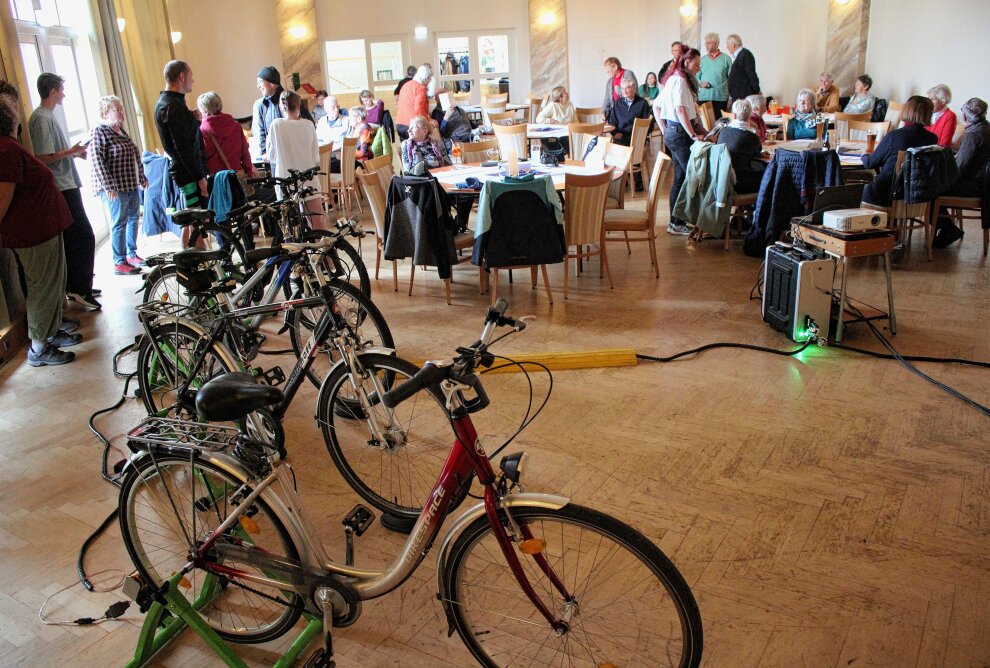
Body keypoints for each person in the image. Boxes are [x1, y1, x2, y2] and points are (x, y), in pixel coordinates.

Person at [0, 91, 79, 366]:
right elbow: (3, 198)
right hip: (31, 233)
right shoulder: (5, 150)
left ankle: (50, 332)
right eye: (12, 107)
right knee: (42, 286)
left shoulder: (11, 145)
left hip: (44, 227)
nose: (17, 110)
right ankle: (39, 347)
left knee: (54, 282)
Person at [29, 73, 99, 310]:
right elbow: (42, 157)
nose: (64, 94)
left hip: (67, 182)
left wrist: (73, 153)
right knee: (83, 236)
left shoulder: (48, 116)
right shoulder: (40, 118)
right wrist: (71, 151)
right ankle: (79, 288)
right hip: (61, 186)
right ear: (52, 91)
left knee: (75, 237)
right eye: (61, 89)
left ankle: (80, 284)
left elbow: (52, 154)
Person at [88, 95, 147, 276]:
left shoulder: (120, 131)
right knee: (119, 222)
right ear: (106, 112)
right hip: (114, 187)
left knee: (132, 219)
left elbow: (134, 154)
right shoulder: (100, 131)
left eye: (121, 109)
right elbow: (97, 159)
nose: (121, 112)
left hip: (130, 183)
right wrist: (108, 186)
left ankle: (131, 254)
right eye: (117, 109)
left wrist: (142, 176)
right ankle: (119, 261)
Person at [657, 45, 705, 235]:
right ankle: (679, 221)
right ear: (687, 62)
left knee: (681, 177)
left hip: (674, 132)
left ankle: (675, 222)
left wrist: (664, 130)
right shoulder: (680, 81)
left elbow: (657, 107)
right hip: (679, 134)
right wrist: (692, 134)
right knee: (690, 176)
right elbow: (680, 110)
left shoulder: (674, 78)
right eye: (697, 64)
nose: (698, 68)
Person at [154, 60, 208, 223]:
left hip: (186, 171)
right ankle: (195, 248)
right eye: (191, 75)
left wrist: (190, 119)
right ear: (182, 77)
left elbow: (184, 135)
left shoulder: (171, 102)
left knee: (193, 219)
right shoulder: (172, 106)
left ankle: (191, 245)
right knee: (197, 222)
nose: (193, 80)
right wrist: (200, 176)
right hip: (188, 174)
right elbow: (183, 147)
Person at [860, 95, 937, 207]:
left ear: (906, 111)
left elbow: (870, 163)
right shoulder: (932, 138)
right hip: (915, 194)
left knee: (853, 192)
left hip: (885, 193)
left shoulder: (894, 136)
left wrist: (864, 155)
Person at [933, 97, 990, 248]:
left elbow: (961, 168)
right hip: (984, 185)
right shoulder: (986, 129)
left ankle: (947, 229)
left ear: (965, 116)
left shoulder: (974, 134)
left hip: (973, 186)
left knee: (929, 187)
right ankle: (946, 227)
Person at [400, 115, 472, 227]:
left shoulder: (435, 143)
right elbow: (411, 170)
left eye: (413, 127)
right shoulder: (407, 145)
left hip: (442, 181)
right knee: (444, 196)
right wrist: (418, 152)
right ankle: (444, 225)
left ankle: (458, 223)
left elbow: (447, 163)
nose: (409, 130)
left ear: (424, 131)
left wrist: (455, 167)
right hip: (423, 186)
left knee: (467, 194)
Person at [266, 91, 324, 228]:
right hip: (308, 180)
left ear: (281, 106)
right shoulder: (309, 125)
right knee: (317, 223)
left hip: (286, 182)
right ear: (298, 105)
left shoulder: (276, 125)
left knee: (289, 225)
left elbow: (271, 156)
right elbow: (315, 155)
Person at [253, 65, 312, 162]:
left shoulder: (291, 99)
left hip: (295, 157)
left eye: (260, 82)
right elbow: (262, 131)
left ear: (271, 83)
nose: (258, 86)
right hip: (274, 159)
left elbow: (308, 124)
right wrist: (264, 152)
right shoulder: (262, 105)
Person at [607, 72, 651, 190]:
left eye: (627, 88)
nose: (625, 91)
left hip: (636, 137)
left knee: (632, 146)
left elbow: (649, 124)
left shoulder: (642, 103)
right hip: (621, 135)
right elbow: (611, 122)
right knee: (615, 145)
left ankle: (637, 180)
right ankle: (621, 178)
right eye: (622, 88)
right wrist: (615, 132)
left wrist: (641, 136)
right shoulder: (618, 103)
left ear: (634, 88)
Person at [198, 91, 256, 177]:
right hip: (237, 178)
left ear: (206, 111)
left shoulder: (203, 131)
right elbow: (245, 153)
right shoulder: (236, 126)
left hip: (217, 180)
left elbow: (201, 159)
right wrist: (249, 174)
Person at [716, 99, 765, 194]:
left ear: (733, 116)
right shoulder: (750, 137)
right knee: (767, 174)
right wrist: (756, 130)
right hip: (740, 183)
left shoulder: (723, 131)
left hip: (721, 180)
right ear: (749, 117)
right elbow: (757, 152)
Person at [698, 33, 732, 117]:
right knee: (705, 126)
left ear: (717, 43)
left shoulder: (726, 59)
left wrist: (731, 99)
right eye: (706, 43)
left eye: (709, 43)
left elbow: (732, 80)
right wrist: (701, 83)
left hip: (721, 99)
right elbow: (695, 78)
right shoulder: (702, 60)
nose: (707, 45)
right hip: (704, 98)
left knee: (720, 125)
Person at [396, 64, 431, 141]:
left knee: (406, 149)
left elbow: (399, 104)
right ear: (425, 78)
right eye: (429, 79)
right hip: (412, 126)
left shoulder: (406, 85)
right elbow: (419, 107)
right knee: (418, 150)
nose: (429, 82)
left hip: (400, 123)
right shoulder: (421, 87)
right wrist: (427, 124)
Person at [726, 34, 760, 103]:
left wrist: (756, 92)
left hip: (744, 98)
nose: (727, 47)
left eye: (727, 44)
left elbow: (752, 74)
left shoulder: (745, 55)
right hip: (740, 98)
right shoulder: (741, 55)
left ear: (733, 45)